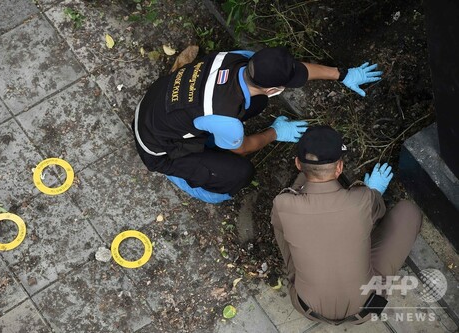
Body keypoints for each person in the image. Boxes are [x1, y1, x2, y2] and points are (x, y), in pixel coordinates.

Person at [133, 47, 382, 203]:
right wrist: (275, 132)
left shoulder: (238, 58)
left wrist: (342, 74)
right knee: (239, 174)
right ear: (274, 88)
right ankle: (180, 175)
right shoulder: (225, 118)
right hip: (159, 147)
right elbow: (242, 148)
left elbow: (293, 71)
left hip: (155, 105)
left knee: (257, 102)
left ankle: (203, 141)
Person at [271, 125, 422, 325]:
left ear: (298, 163)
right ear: (340, 167)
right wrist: (373, 191)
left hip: (305, 306)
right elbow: (378, 210)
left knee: (280, 223)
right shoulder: (362, 200)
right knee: (409, 212)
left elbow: (280, 223)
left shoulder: (282, 203)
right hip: (365, 308)